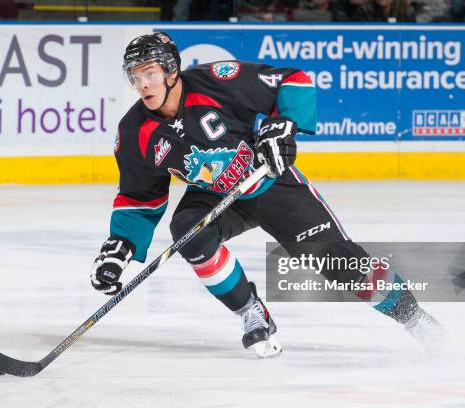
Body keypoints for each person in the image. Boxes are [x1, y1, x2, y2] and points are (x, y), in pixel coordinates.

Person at [90, 32, 443, 357]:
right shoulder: (135, 131)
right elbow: (140, 197)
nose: (142, 84)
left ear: (170, 71)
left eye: (149, 73)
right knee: (188, 232)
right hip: (214, 195)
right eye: (134, 76)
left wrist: (284, 125)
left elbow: (293, 80)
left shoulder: (217, 80)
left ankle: (416, 319)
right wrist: (120, 246)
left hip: (269, 181)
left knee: (340, 264)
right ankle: (251, 312)